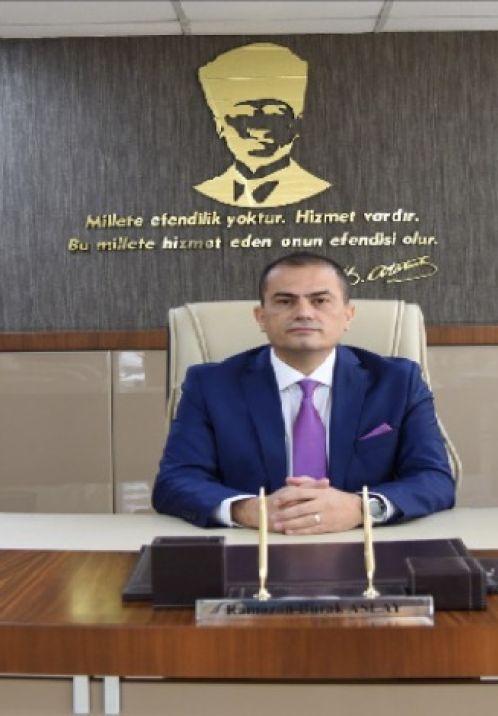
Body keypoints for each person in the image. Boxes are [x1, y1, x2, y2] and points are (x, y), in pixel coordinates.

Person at [152, 252, 455, 534]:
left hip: (367, 546)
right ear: (260, 316)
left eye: (320, 300)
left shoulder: (399, 382)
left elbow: (434, 478)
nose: (304, 313)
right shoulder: (211, 385)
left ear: (348, 315)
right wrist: (247, 510)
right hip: (253, 545)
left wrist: (361, 508)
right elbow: (176, 481)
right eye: (285, 301)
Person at [193, 42, 330, 208]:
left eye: (274, 115)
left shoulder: (316, 190)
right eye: (243, 116)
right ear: (219, 125)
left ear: (296, 125)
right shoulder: (208, 191)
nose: (258, 130)